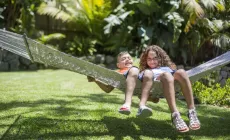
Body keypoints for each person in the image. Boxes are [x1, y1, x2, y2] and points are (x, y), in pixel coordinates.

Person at [138, 45, 200, 132]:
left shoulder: (166, 68)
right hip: (158, 85)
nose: (152, 61)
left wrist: (171, 70)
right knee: (166, 75)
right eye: (149, 59)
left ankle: (192, 111)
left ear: (160, 58)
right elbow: (143, 84)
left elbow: (176, 75)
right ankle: (175, 115)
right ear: (145, 59)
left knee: (181, 72)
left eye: (155, 58)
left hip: (171, 83)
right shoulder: (146, 72)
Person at [87, 51, 157, 116]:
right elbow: (108, 89)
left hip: (141, 86)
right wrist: (96, 80)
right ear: (118, 65)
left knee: (139, 71)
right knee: (134, 71)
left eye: (129, 58)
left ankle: (146, 103)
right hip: (133, 86)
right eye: (123, 59)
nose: (127, 59)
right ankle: (129, 105)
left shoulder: (139, 71)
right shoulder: (117, 74)